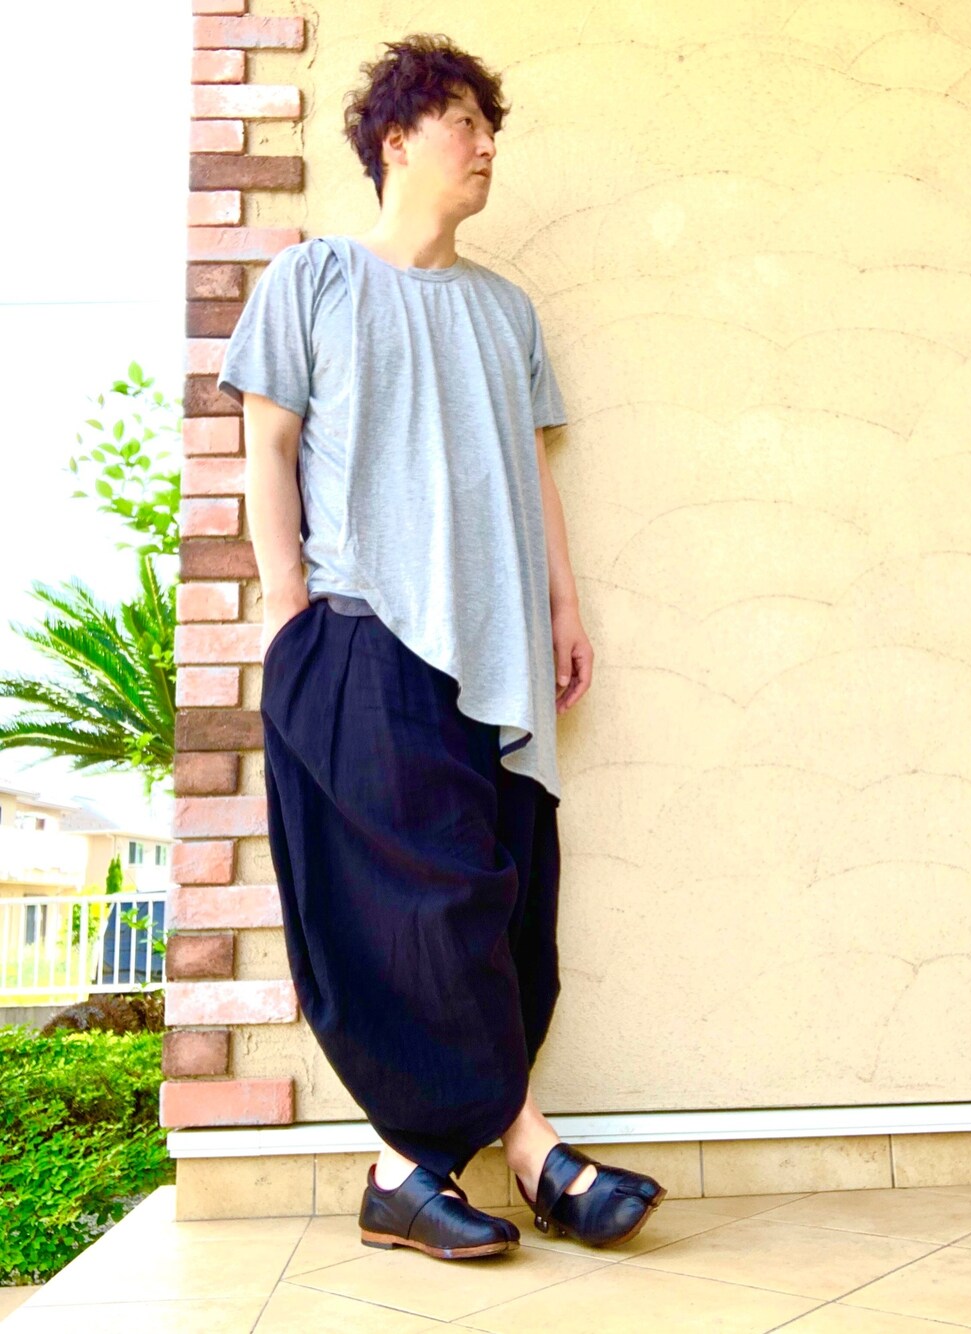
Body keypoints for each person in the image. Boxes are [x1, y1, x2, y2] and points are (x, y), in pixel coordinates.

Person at [217, 32, 666, 1262]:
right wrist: (290, 607)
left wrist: (564, 608)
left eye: (489, 125)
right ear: (396, 138)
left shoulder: (504, 310)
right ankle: (535, 1152)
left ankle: (402, 1177)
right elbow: (265, 448)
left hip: (500, 651)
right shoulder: (311, 281)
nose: (484, 145)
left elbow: (531, 470)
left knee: (504, 904)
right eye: (463, 121)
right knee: (433, 899)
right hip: (367, 635)